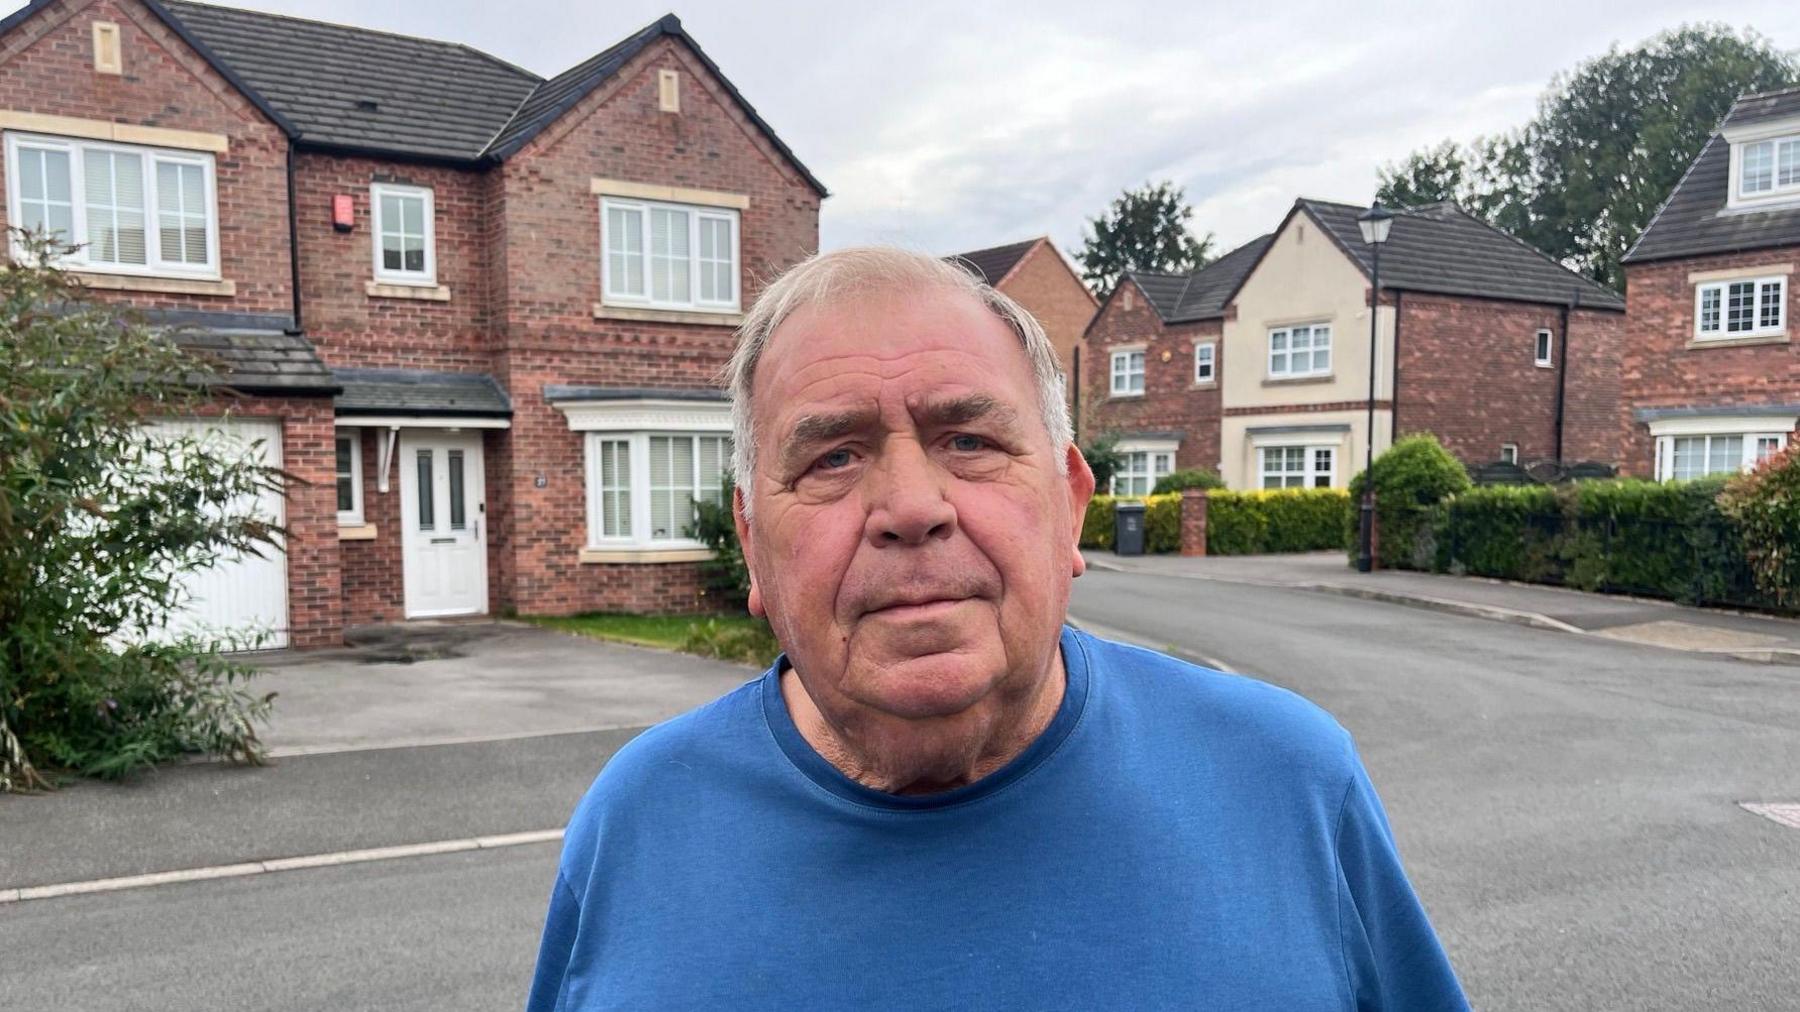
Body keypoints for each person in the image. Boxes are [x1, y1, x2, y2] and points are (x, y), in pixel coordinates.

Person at [526, 247, 1469, 1010]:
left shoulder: (1291, 782)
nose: (909, 506)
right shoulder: (636, 822)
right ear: (750, 545)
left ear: (1069, 505)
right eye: (833, 455)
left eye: (968, 442)